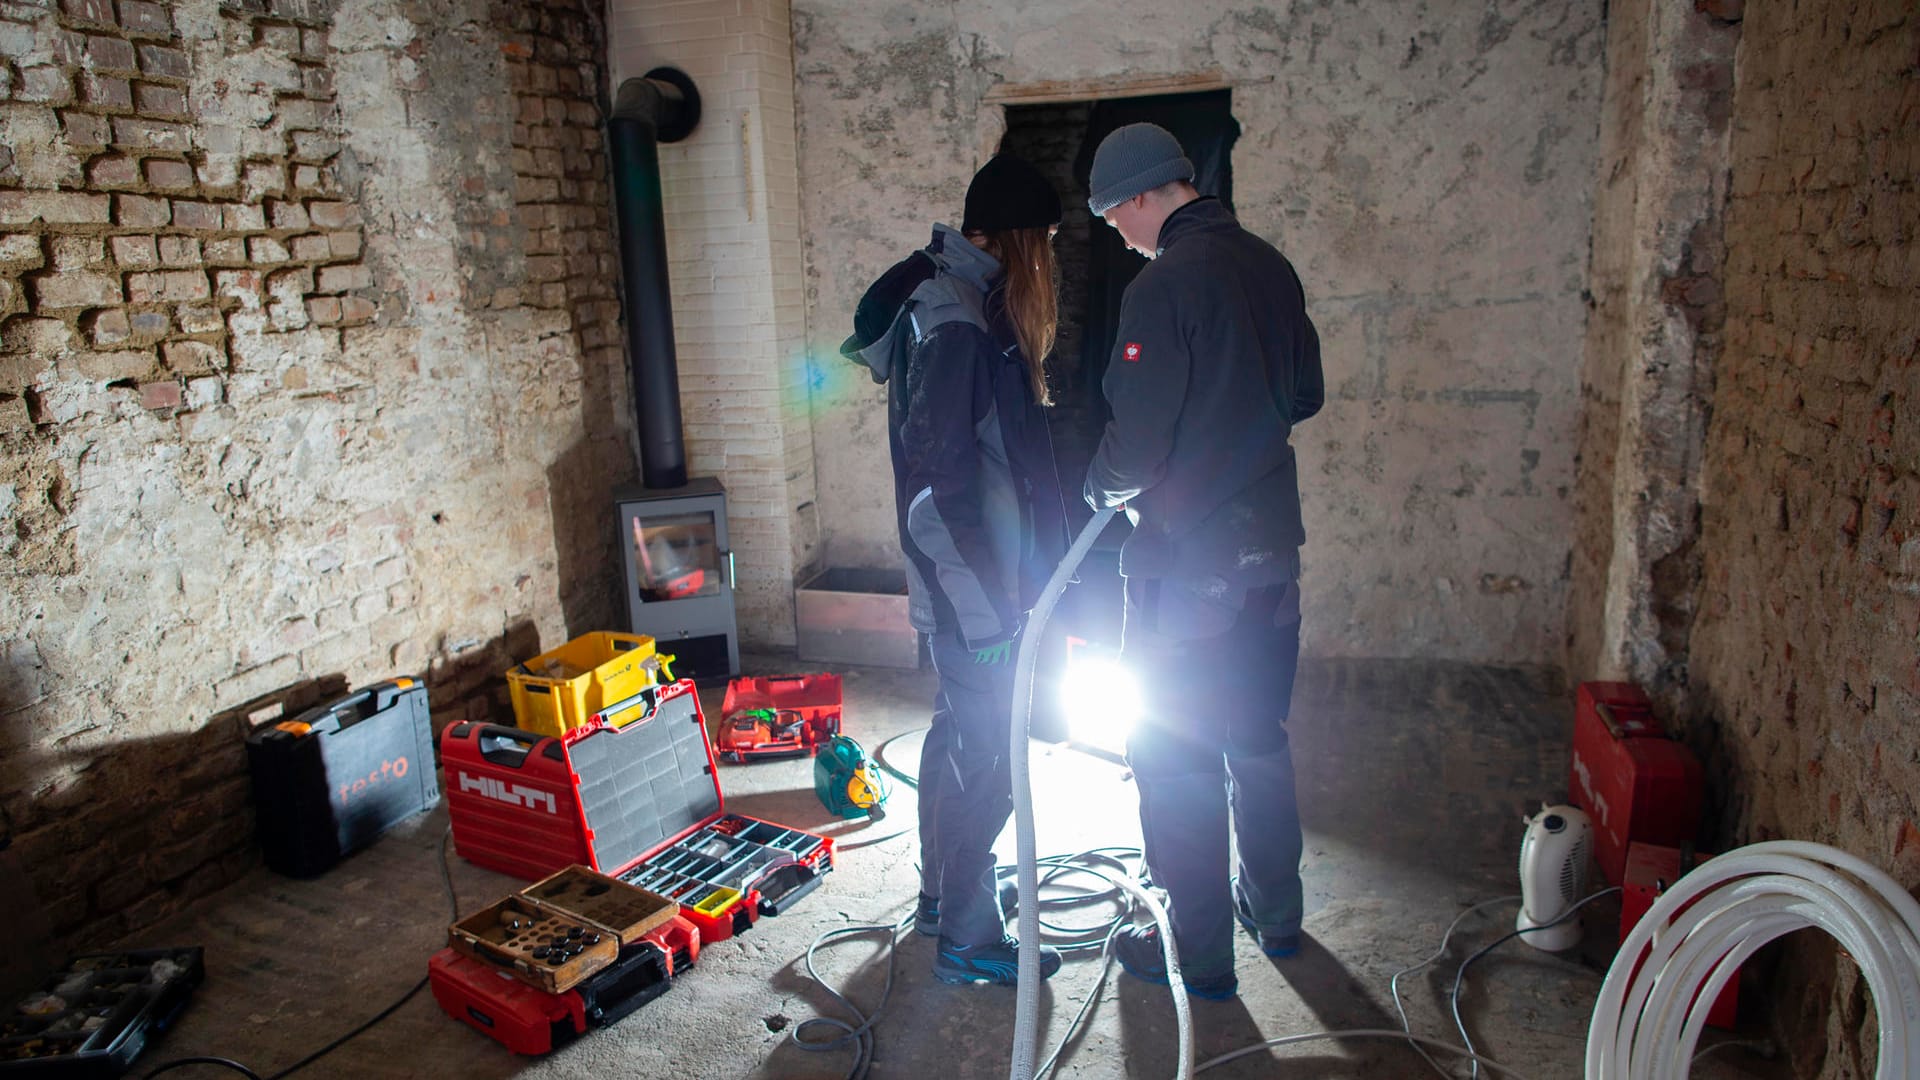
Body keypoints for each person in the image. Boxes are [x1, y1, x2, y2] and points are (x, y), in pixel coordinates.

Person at [1081, 122, 1324, 1001]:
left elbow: (1135, 449)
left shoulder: (1163, 286)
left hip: (1186, 571)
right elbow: (1306, 394)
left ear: (1146, 195)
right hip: (1272, 563)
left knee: (1175, 758)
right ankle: (1280, 916)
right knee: (1258, 740)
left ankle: (1202, 959)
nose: (1120, 234)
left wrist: (1098, 487)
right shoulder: (1270, 265)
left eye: (1116, 219)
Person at [839, 153, 1071, 986]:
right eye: (1044, 243)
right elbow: (939, 497)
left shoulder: (952, 298)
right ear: (1019, 242)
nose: (1049, 262)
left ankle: (945, 896)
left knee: (959, 734)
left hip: (966, 586)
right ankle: (970, 937)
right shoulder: (958, 323)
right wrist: (990, 617)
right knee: (993, 759)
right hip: (976, 594)